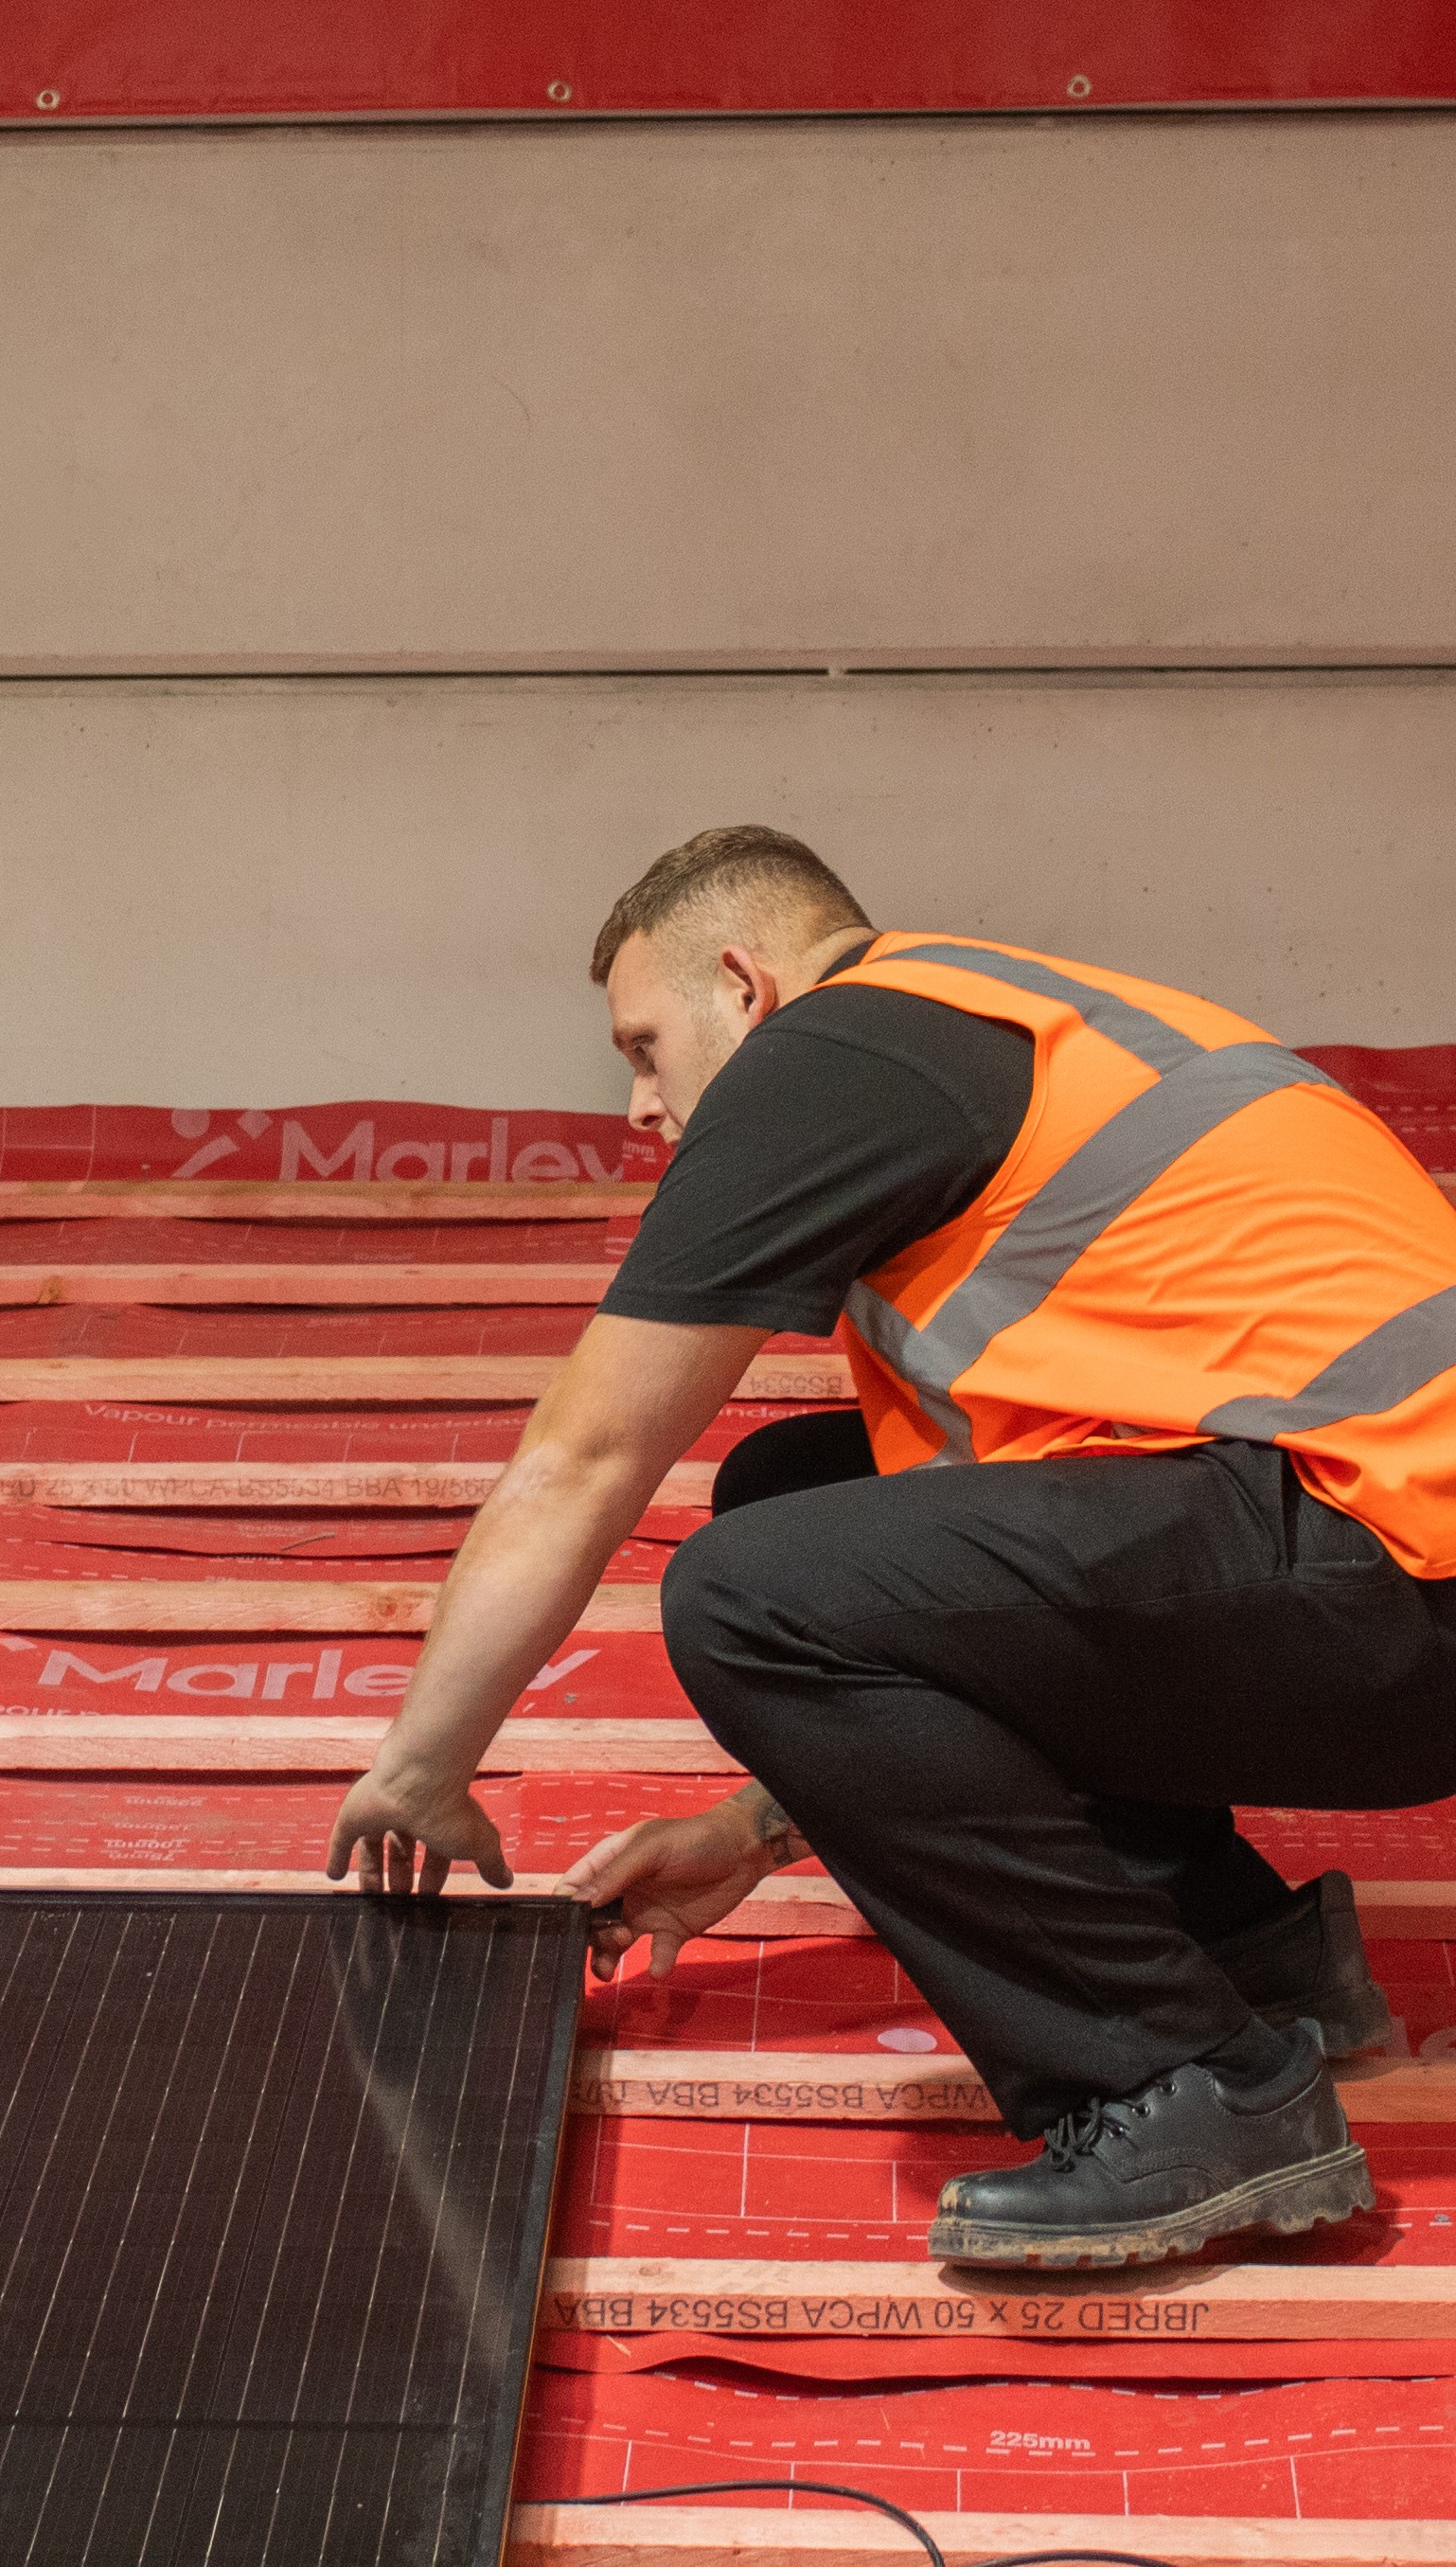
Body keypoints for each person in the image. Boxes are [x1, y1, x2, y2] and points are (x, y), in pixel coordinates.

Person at [326, 827, 1456, 2270]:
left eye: (645, 1040)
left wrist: (421, 1765)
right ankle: (1242, 1958)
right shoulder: (983, 1020)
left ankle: (1180, 2084)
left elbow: (583, 1452)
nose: (637, 1103)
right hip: (1363, 1555)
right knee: (792, 1487)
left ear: (744, 983)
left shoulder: (840, 1050)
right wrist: (755, 1825)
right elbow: (1001, 1591)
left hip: (1391, 1572)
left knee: (742, 1588)